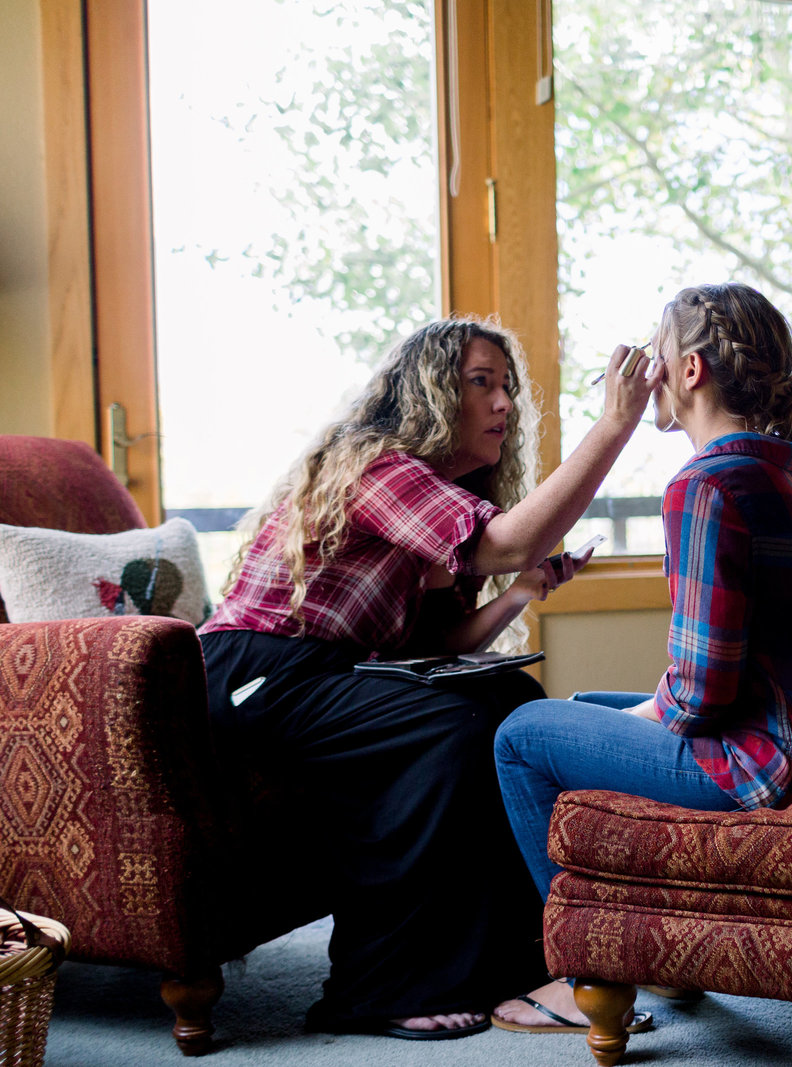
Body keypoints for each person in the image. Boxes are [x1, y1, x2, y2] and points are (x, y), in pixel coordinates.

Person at [197, 317, 663, 1039]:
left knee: (508, 703)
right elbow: (507, 539)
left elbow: (435, 640)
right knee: (452, 723)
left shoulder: (427, 501)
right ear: (431, 394)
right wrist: (615, 426)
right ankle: (374, 987)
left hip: (325, 672)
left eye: (507, 387)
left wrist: (516, 594)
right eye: (482, 383)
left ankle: (528, 962)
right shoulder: (377, 467)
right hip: (250, 671)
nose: (504, 403)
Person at [491, 282, 792, 1034]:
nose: (649, 371)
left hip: (771, 770)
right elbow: (724, 677)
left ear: (691, 370)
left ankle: (590, 974)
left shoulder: (704, 484)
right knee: (583, 711)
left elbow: (703, 690)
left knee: (521, 735)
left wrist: (649, 712)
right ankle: (657, 953)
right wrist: (634, 713)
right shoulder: (785, 475)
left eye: (657, 352)